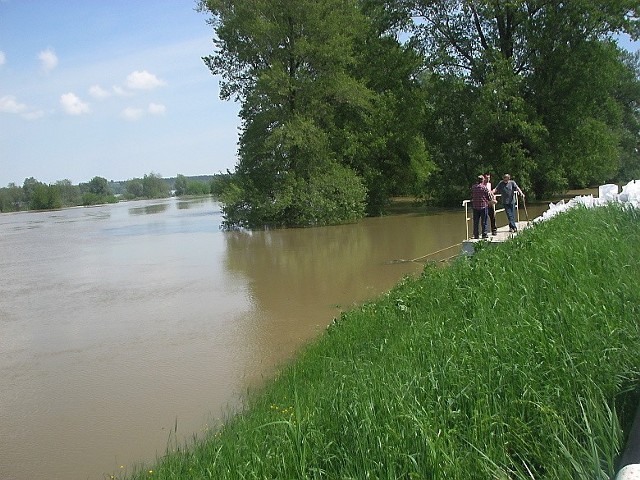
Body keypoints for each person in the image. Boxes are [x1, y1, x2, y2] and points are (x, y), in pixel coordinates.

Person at [471, 175, 490, 239]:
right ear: (482, 180)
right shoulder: (484, 187)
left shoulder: (473, 187)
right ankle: (484, 234)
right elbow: (488, 196)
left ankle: (476, 235)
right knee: (484, 221)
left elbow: (472, 195)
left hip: (475, 207)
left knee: (476, 221)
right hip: (483, 206)